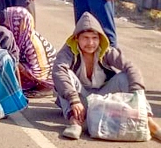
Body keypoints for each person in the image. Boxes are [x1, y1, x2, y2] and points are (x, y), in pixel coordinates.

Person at [53, 12, 160, 140]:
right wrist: (74, 99)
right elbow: (59, 71)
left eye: (94, 38)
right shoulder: (68, 51)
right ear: (76, 38)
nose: (90, 43)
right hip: (79, 100)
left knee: (124, 77)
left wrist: (137, 94)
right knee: (64, 76)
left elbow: (130, 66)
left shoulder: (106, 51)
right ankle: (75, 122)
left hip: (102, 98)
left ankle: (149, 122)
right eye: (85, 38)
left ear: (100, 39)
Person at [2, 7, 55, 97]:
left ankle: (45, 89)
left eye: (9, 20)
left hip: (42, 76)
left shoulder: (33, 44)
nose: (5, 23)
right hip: (27, 68)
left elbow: (38, 72)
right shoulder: (18, 38)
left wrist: (16, 63)